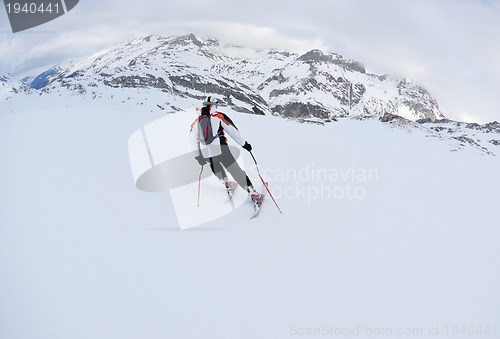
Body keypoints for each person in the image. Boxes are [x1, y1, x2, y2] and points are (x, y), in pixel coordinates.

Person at [189, 96, 262, 204]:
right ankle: (253, 193)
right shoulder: (219, 116)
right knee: (234, 169)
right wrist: (245, 145)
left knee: (215, 167)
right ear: (215, 105)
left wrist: (198, 156)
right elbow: (234, 132)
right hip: (221, 149)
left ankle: (227, 183)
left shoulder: (197, 121)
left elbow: (192, 139)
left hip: (206, 152)